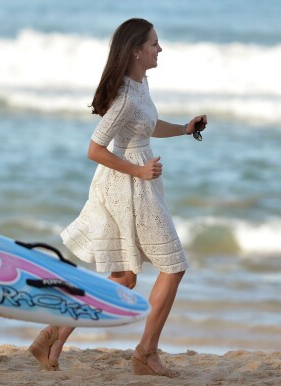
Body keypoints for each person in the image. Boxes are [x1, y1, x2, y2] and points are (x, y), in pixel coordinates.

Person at [28, 18, 207, 378]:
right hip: (127, 185)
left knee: (124, 276)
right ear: (137, 50)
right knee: (173, 267)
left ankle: (53, 334)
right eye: (154, 43)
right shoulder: (125, 97)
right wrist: (139, 171)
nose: (160, 49)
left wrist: (185, 130)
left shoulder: (142, 84)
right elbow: (95, 148)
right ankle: (146, 354)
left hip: (136, 181)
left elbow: (149, 125)